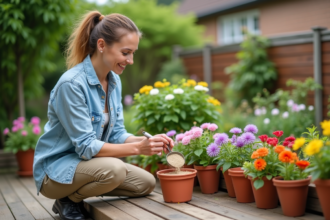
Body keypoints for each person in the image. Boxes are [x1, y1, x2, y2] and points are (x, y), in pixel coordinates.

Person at [33, 11, 173, 220]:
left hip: (89, 167)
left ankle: (73, 197)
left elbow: (117, 133)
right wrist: (138, 148)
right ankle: (67, 200)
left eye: (133, 53)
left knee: (146, 183)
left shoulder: (114, 81)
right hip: (55, 172)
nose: (131, 60)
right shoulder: (72, 84)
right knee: (115, 170)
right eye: (126, 52)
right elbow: (86, 146)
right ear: (101, 45)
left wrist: (148, 142)